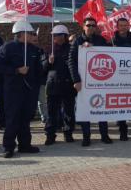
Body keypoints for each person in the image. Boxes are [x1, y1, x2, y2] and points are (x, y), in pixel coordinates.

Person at [0, 20, 44, 158]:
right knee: (13, 118)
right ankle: (8, 147)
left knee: (26, 118)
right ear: (22, 34)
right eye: (30, 33)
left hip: (30, 91)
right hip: (13, 90)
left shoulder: (34, 49)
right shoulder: (7, 47)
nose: (33, 35)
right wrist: (16, 70)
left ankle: (25, 145)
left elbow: (38, 69)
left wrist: (39, 82)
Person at [69, 17, 113, 146]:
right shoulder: (77, 41)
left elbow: (110, 54)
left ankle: (104, 135)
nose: (91, 27)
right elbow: (71, 62)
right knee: (85, 109)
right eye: (88, 25)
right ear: (83, 26)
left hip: (100, 81)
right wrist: (76, 80)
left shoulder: (101, 40)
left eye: (94, 25)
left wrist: (94, 48)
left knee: (101, 108)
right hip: (83, 82)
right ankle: (86, 137)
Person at [44, 25, 77, 145]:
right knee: (52, 112)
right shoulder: (49, 49)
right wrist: (48, 62)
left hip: (68, 85)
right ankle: (50, 135)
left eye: (56, 35)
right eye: (53, 35)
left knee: (69, 111)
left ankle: (68, 133)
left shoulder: (72, 48)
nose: (54, 37)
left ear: (64, 36)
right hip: (53, 85)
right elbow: (43, 68)